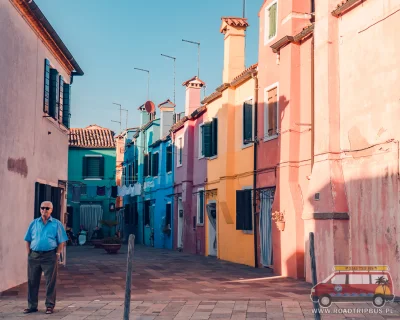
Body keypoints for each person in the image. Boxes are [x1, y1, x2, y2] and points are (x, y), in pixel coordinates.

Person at [23, 201, 68, 315]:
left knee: (50, 282)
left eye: (47, 208)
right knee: (32, 281)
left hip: (49, 256)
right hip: (34, 255)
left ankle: (49, 306)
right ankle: (32, 306)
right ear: (40, 209)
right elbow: (27, 239)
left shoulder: (56, 224)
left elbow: (62, 241)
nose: (44, 210)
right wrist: (29, 254)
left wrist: (57, 254)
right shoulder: (33, 223)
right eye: (42, 208)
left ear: (51, 210)